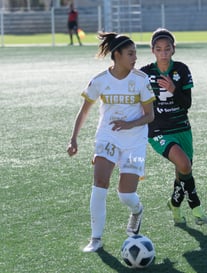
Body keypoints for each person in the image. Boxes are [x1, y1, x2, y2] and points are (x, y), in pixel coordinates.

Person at [67, 32, 155, 252]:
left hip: (134, 142)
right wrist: (74, 138)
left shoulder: (141, 80)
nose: (135, 58)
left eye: (135, 53)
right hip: (108, 137)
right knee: (100, 182)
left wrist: (129, 124)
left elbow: (150, 115)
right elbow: (84, 111)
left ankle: (137, 210)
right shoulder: (100, 81)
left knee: (125, 195)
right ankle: (95, 239)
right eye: (130, 53)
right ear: (117, 55)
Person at [140, 28, 207, 226]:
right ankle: (196, 206)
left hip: (182, 127)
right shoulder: (144, 74)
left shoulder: (182, 70)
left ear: (173, 49)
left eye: (167, 49)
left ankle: (175, 205)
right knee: (185, 165)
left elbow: (186, 104)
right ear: (152, 50)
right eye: (159, 49)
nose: (163, 53)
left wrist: (173, 89)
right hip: (158, 130)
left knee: (183, 171)